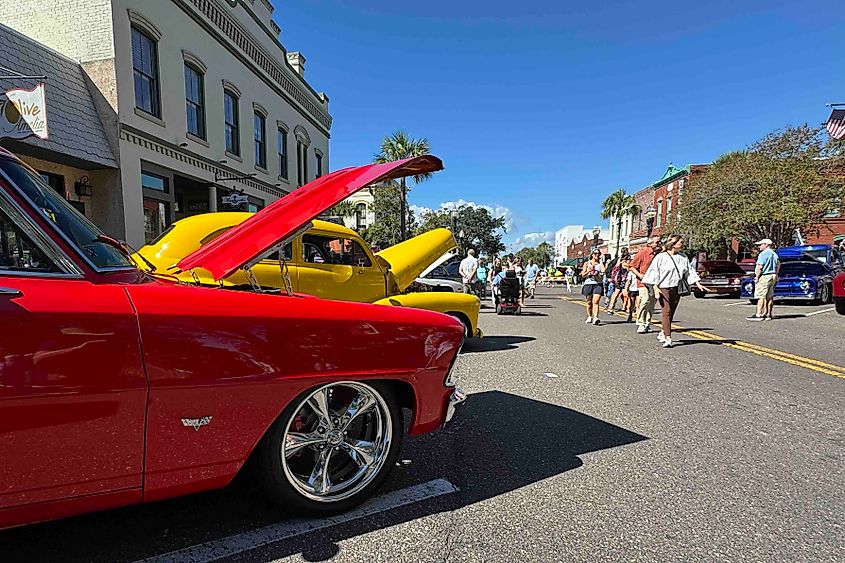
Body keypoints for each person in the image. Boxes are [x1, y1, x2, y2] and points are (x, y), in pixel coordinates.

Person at [642, 235, 710, 348]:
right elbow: (654, 272)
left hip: (676, 287)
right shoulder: (661, 257)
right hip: (663, 287)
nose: (682, 244)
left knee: (671, 312)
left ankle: (663, 331)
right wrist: (655, 287)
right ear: (673, 243)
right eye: (680, 242)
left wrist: (698, 283)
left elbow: (689, 271)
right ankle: (668, 337)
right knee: (666, 311)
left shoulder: (683, 257)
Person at [628, 236, 662, 334]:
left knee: (651, 303)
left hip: (655, 282)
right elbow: (631, 266)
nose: (659, 244)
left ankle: (647, 323)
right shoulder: (643, 253)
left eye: (660, 242)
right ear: (650, 244)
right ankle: (640, 323)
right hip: (643, 282)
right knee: (645, 301)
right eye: (657, 242)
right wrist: (639, 275)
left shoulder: (660, 254)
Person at [747, 238, 780, 321]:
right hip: (772, 275)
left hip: (764, 276)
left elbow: (760, 267)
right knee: (770, 296)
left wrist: (757, 277)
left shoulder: (763, 254)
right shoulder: (774, 254)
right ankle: (768, 314)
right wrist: (776, 275)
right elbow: (778, 265)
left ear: (766, 245)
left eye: (761, 244)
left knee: (761, 296)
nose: (759, 246)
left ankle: (759, 314)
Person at [580, 249, 606, 325]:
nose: (597, 255)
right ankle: (589, 316)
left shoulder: (600, 264)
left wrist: (601, 263)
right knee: (589, 302)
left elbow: (604, 271)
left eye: (598, 253)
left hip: (598, 283)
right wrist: (589, 271)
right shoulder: (587, 263)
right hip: (588, 283)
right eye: (595, 253)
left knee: (596, 301)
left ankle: (596, 317)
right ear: (592, 254)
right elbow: (583, 274)